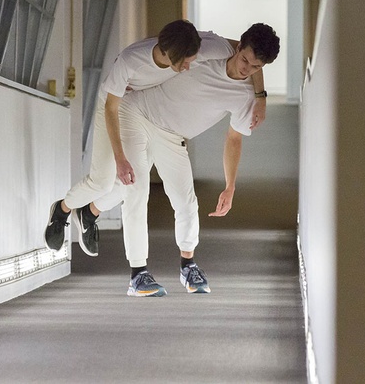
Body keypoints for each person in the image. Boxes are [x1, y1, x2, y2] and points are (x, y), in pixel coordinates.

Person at [43, 19, 267, 256]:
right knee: (108, 181)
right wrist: (119, 158)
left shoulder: (218, 58)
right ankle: (63, 209)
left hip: (162, 127)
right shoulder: (132, 61)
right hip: (123, 109)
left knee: (131, 185)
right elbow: (110, 108)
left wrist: (261, 95)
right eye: (186, 63)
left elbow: (244, 57)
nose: (190, 67)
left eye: (254, 67)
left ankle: (89, 213)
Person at [115, 22, 280, 297]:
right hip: (138, 112)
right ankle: (137, 274)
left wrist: (230, 186)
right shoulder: (214, 48)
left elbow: (234, 139)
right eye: (244, 60)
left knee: (186, 201)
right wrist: (129, 74)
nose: (245, 69)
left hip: (173, 136)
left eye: (254, 67)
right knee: (135, 190)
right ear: (237, 47)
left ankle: (188, 266)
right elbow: (167, 43)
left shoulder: (245, 98)